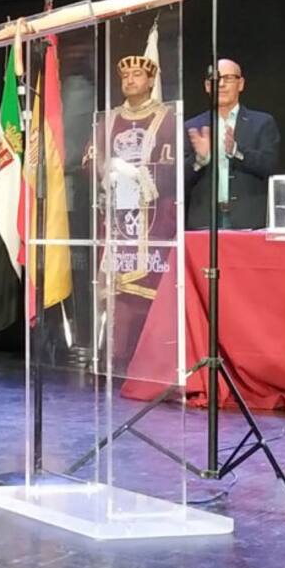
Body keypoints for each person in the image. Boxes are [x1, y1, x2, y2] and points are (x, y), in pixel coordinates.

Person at [92, 54, 178, 369]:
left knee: (150, 288)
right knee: (117, 291)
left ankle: (150, 359)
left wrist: (137, 175)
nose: (130, 80)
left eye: (137, 75)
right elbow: (92, 159)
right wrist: (107, 173)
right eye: (125, 76)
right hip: (117, 211)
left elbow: (172, 165)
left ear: (151, 80)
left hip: (154, 215)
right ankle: (115, 358)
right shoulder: (109, 120)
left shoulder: (167, 118)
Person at [184, 59, 281, 230]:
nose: (221, 84)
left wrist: (236, 150)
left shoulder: (262, 122)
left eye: (228, 78)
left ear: (240, 84)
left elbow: (270, 166)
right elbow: (179, 180)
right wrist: (200, 159)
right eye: (215, 79)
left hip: (249, 219)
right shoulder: (192, 126)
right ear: (207, 86)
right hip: (205, 220)